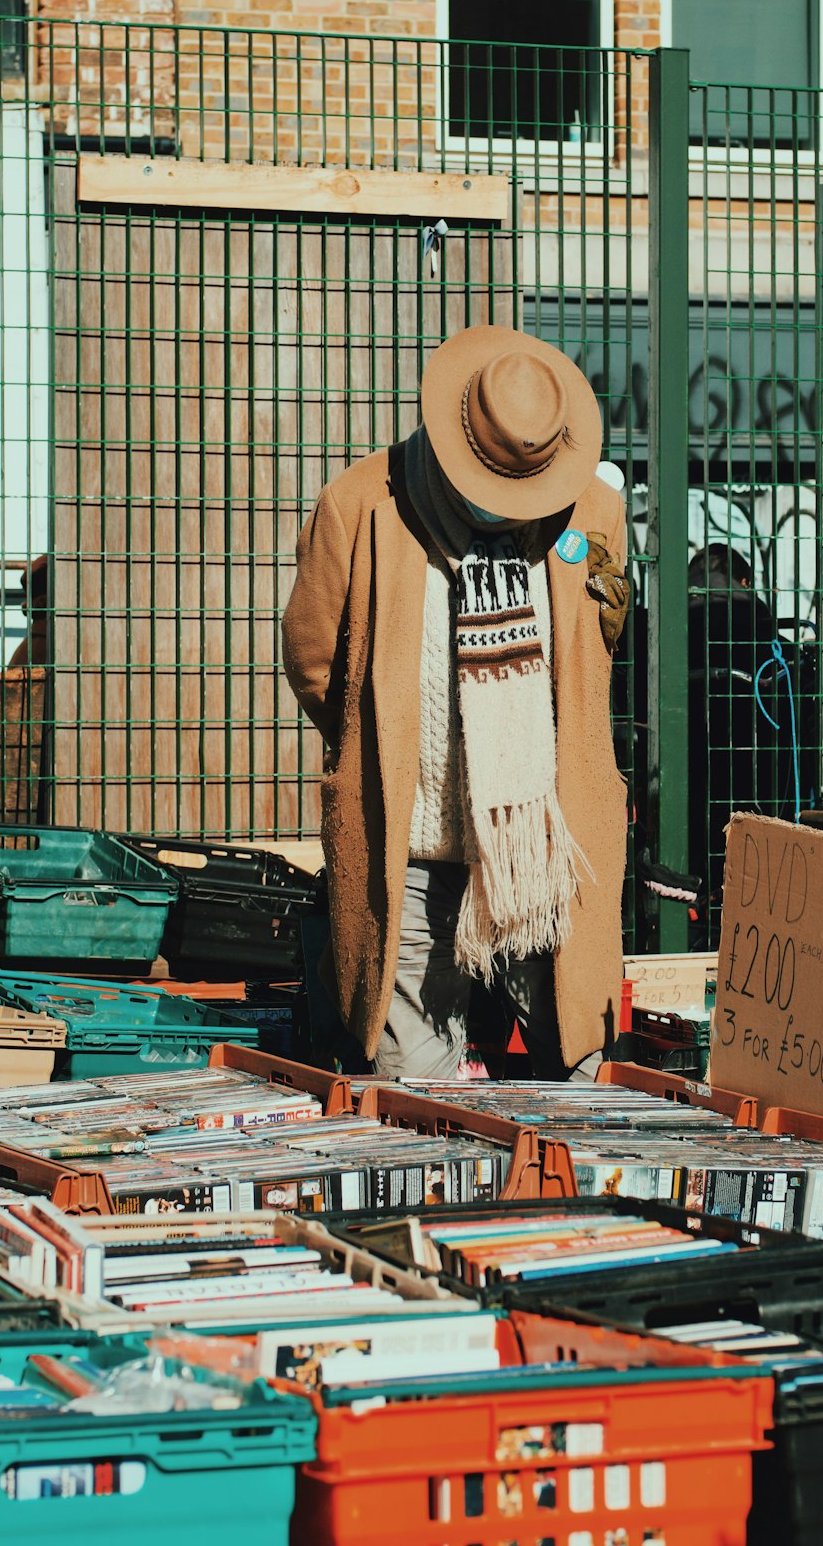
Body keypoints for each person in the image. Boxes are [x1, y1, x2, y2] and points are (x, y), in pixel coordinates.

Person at [283, 325, 629, 1080]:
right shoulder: (360, 507)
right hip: (410, 853)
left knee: (579, 1078)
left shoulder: (595, 515)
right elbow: (315, 661)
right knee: (419, 1100)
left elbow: (601, 643)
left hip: (548, 858)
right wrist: (384, 752)